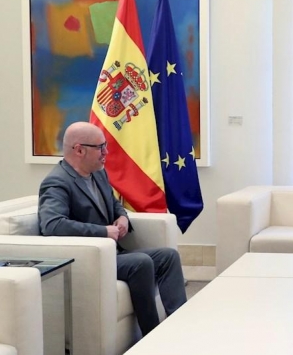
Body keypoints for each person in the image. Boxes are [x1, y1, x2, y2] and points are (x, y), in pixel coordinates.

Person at [38, 121, 186, 337]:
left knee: (168, 256)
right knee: (141, 262)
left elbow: (114, 203)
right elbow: (51, 224)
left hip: (113, 253)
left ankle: (180, 327)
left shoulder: (98, 173)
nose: (106, 152)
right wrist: (103, 232)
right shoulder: (57, 182)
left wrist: (122, 217)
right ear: (79, 150)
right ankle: (153, 336)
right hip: (90, 259)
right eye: (100, 147)